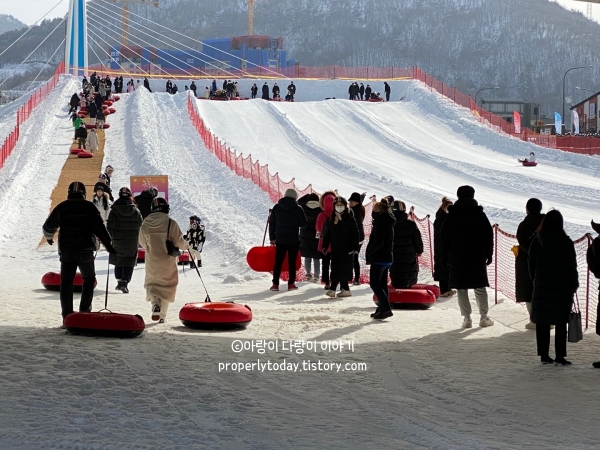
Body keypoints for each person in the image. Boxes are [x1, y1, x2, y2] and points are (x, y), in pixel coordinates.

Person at [42, 182, 115, 323]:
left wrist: (49, 237)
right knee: (88, 279)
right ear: (84, 193)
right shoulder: (90, 207)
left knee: (66, 283)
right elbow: (100, 228)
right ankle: (84, 313)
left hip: (67, 251)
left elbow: (47, 227)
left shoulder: (62, 207)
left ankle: (67, 317)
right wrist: (108, 244)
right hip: (85, 250)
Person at [529, 210, 578, 366]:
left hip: (542, 286)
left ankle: (544, 355)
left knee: (542, 322)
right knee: (560, 322)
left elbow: (531, 265)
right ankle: (560, 356)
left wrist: (536, 281)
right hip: (562, 287)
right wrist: (574, 283)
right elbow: (572, 266)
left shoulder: (537, 241)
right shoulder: (566, 242)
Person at [441, 185, 494, 328]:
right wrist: (489, 253)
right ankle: (484, 318)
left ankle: (467, 319)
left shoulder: (452, 215)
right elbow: (488, 236)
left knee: (461, 288)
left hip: (457, 256)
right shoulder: (479, 214)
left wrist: (444, 256)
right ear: (473, 195)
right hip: (477, 255)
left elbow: (444, 237)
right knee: (480, 287)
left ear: (458, 196)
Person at [139, 198, 188, 322]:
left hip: (151, 260)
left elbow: (142, 242)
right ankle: (162, 316)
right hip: (168, 261)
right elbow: (181, 244)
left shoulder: (145, 223)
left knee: (152, 284)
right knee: (167, 286)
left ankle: (154, 302)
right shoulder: (171, 223)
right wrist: (187, 245)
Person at [269, 188, 308, 291]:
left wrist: (272, 238)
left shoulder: (277, 207)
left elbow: (272, 224)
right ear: (295, 197)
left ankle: (275, 284)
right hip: (293, 239)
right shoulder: (298, 208)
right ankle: (291, 284)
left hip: (280, 239)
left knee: (278, 262)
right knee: (292, 262)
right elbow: (304, 224)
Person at [107, 187, 143, 294]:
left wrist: (112, 237)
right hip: (132, 241)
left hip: (117, 241)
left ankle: (119, 281)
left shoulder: (114, 210)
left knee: (119, 259)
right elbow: (141, 225)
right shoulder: (136, 210)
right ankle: (125, 283)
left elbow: (109, 227)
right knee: (129, 261)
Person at [322, 196, 359, 298]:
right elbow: (328, 234)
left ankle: (333, 288)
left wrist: (354, 248)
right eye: (337, 205)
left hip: (347, 249)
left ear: (345, 206)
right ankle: (345, 289)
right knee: (335, 267)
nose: (339, 207)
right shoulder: (331, 219)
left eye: (341, 205)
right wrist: (325, 246)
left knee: (343, 268)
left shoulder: (350, 218)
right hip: (335, 249)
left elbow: (355, 234)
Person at [516, 198, 544, 329]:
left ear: (527, 209)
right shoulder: (548, 223)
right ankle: (548, 320)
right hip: (547, 263)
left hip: (527, 263)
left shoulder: (523, 225)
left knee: (529, 292)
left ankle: (534, 321)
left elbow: (523, 244)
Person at [366, 198, 396, 320]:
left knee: (374, 283)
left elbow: (378, 242)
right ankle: (381, 308)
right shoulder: (388, 221)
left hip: (379, 257)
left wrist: (370, 251)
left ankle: (385, 308)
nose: (372, 212)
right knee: (382, 284)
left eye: (374, 209)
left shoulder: (380, 222)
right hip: (387, 257)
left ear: (379, 211)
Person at [389, 200, 423, 289]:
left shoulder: (389, 224)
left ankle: (397, 291)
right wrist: (419, 250)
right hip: (409, 255)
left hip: (394, 255)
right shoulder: (411, 224)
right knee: (408, 275)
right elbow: (417, 240)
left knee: (396, 273)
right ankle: (407, 290)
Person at [298, 192, 322, 283]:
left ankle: (308, 275)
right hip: (317, 237)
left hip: (304, 236)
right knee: (316, 257)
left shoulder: (303, 208)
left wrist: (306, 196)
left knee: (307, 256)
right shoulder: (320, 209)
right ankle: (316, 276)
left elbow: (298, 201)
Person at [433, 196, 454, 297]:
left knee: (448, 268)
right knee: (443, 269)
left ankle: (448, 288)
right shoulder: (440, 218)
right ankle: (444, 290)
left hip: (448, 247)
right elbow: (441, 231)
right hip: (441, 248)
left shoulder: (448, 217)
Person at [316, 190, 336, 288]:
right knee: (334, 264)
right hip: (335, 243)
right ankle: (334, 280)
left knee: (325, 264)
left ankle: (326, 282)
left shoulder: (321, 215)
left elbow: (318, 228)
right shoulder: (337, 214)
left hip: (323, 243)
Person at [348, 192, 366, 285]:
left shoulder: (355, 211)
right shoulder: (359, 208)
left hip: (356, 237)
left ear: (357, 202)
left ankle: (354, 277)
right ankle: (354, 278)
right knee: (354, 257)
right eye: (350, 201)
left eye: (352, 202)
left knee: (353, 258)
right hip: (359, 237)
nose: (350, 203)